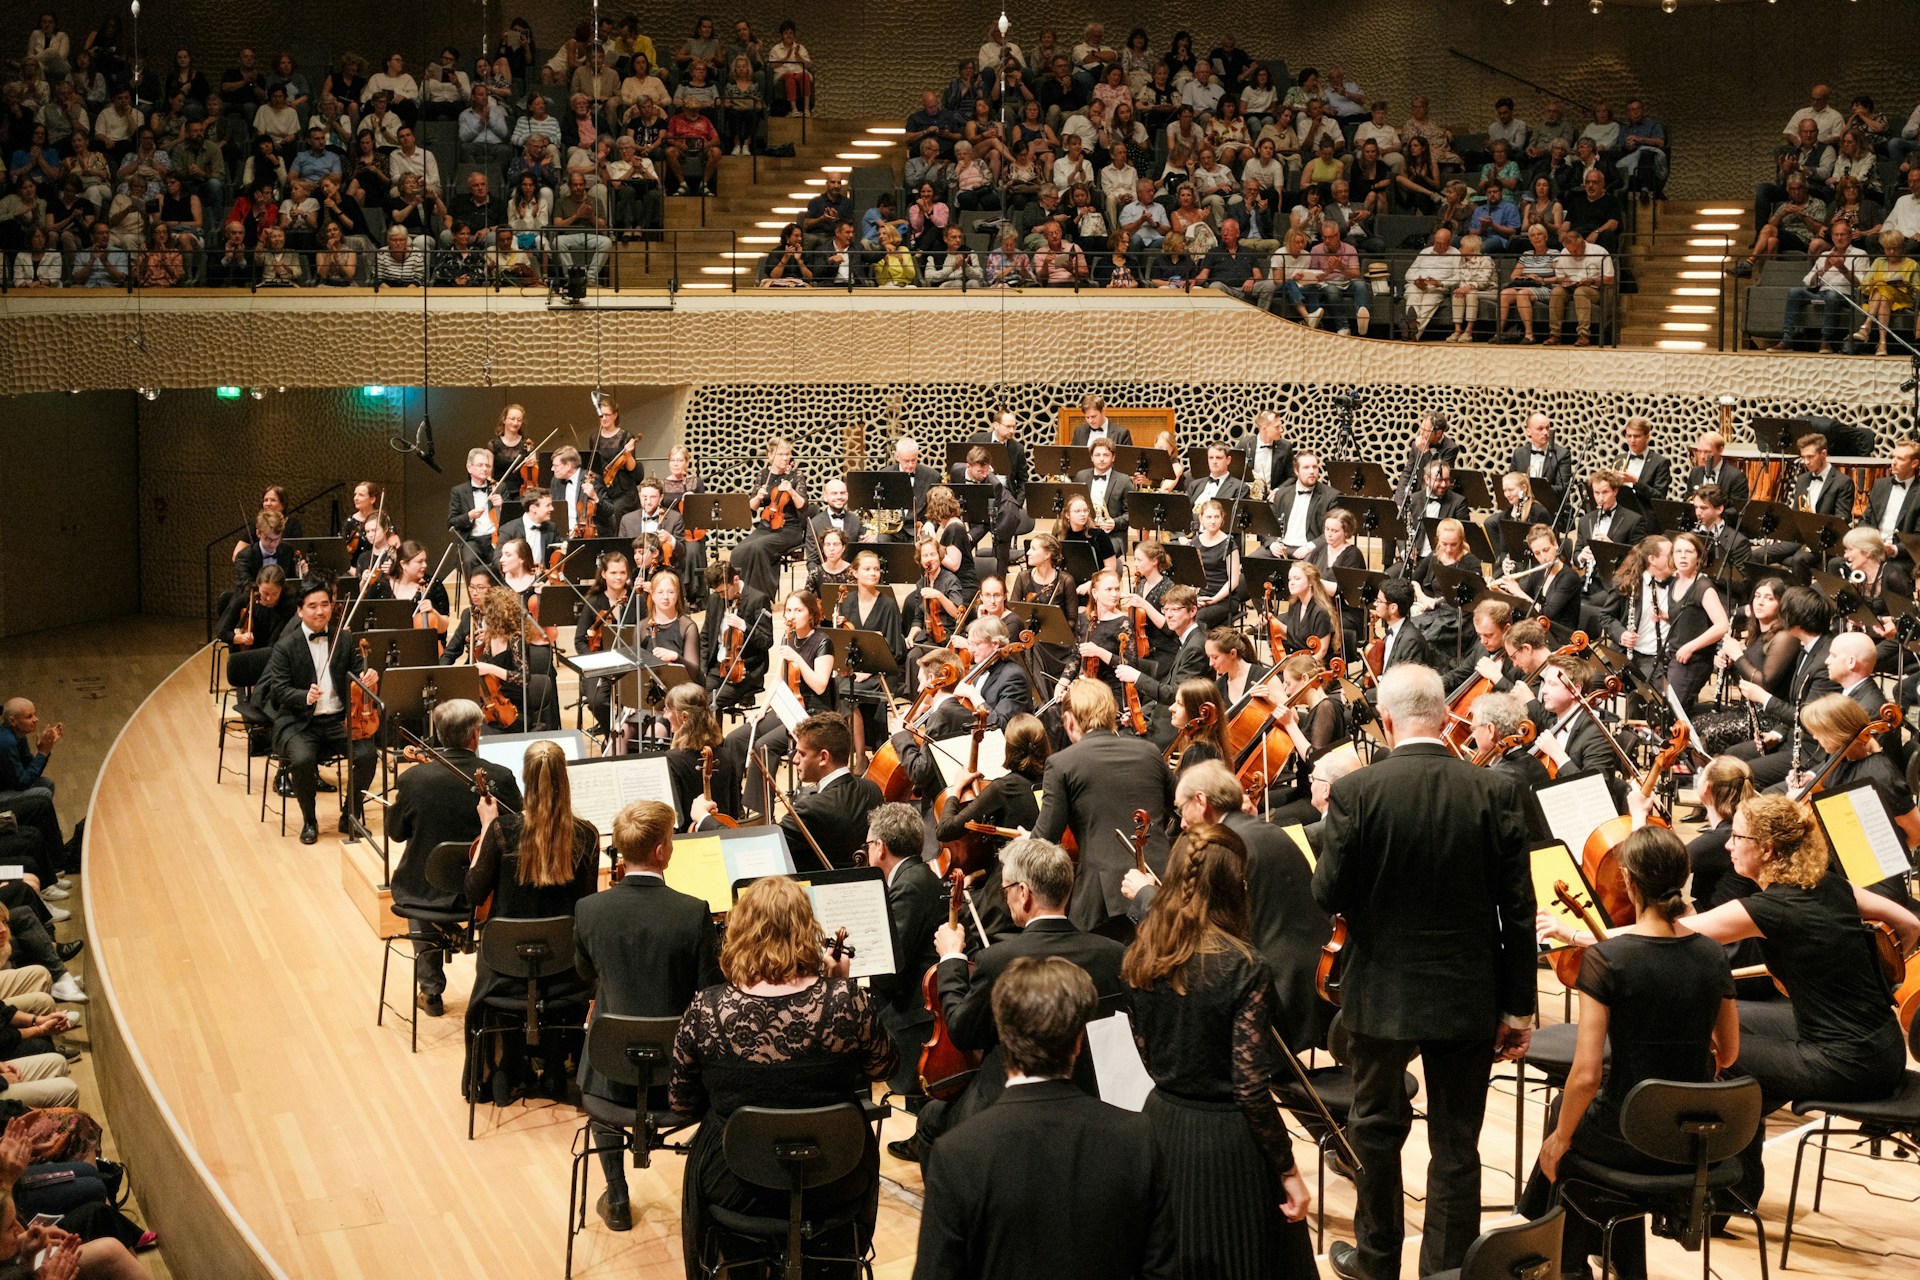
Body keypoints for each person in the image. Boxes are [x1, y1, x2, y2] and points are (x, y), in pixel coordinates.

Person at [1313, 663, 1536, 1280]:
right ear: (1445, 718)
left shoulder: (1357, 792)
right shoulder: (1494, 791)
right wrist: (1518, 1007)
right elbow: (1519, 909)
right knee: (1456, 1145)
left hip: (1380, 989)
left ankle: (1378, 1260)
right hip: (1468, 992)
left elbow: (1326, 890)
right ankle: (1445, 1272)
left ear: (1386, 721)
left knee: (1375, 1132)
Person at [1520, 826, 1740, 1279]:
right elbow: (1731, 1052)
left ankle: (1566, 1263)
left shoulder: (1608, 959)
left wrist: (1560, 1139)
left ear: (1629, 882)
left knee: (1568, 1121)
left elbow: (1586, 1076)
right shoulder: (1713, 956)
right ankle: (1620, 1261)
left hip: (1629, 1137)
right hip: (1694, 1141)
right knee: (1577, 1118)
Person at [671, 876, 895, 1266]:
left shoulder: (705, 1008)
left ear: (739, 933)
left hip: (735, 1178)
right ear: (808, 930)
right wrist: (839, 987)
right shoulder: (847, 1001)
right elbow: (885, 1066)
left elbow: (680, 1103)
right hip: (834, 1174)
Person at [1125, 822, 1313, 1277]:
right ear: (1235, 886)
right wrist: (1288, 1169)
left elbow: (1148, 1055)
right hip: (1228, 1149)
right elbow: (1250, 1088)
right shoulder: (1245, 967)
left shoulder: (1142, 956)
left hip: (1162, 1126)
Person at [914, 955, 1174, 1280]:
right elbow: (1159, 1270)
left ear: (1003, 1037)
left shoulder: (956, 1153)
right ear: (1078, 1042)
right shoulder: (1138, 1137)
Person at [907, 838, 1129, 1161]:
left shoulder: (999, 960)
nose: (1006, 898)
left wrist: (952, 959)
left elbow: (962, 1031)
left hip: (1010, 1103)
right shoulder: (1113, 954)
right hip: (1095, 1096)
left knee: (930, 1119)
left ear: (1023, 893)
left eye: (1006, 889)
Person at [573, 798, 720, 1231]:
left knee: (600, 1064)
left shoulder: (590, 910)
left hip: (611, 1080)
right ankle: (701, 1199)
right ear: (660, 852)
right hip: (680, 1081)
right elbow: (709, 993)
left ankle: (617, 1198)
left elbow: (585, 972)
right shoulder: (693, 913)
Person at [462, 738, 600, 1103]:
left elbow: (473, 893)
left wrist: (489, 823)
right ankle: (557, 1064)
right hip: (565, 971)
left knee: (503, 951)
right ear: (564, 780)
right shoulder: (585, 835)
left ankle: (507, 1066)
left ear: (524, 778)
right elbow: (586, 910)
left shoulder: (501, 832)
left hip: (505, 970)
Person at [386, 699, 522, 1017]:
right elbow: (517, 829)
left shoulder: (414, 780)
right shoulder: (498, 778)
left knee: (421, 879)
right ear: (475, 734)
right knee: (500, 889)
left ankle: (430, 990)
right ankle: (489, 989)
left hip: (424, 893)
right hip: (483, 893)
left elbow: (395, 832)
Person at [1033, 680, 1175, 936]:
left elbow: (1046, 839)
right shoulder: (1149, 752)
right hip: (1162, 881)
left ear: (1069, 720)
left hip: (1104, 900)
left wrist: (1027, 842)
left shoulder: (1061, 763)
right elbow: (1181, 809)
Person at [257, 579, 380, 845]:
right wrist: (304, 696)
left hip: (340, 720)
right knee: (301, 761)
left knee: (368, 754)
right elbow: (277, 690)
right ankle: (309, 820)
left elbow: (358, 672)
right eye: (312, 606)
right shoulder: (286, 646)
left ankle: (350, 814)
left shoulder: (344, 638)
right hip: (301, 723)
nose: (320, 611)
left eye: (325, 604)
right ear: (300, 610)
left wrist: (367, 676)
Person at [863, 802, 944, 1101]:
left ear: (880, 847)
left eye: (869, 844)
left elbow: (888, 967)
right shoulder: (917, 876)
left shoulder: (909, 886)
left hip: (916, 1020)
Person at [729, 437, 808, 598]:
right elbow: (752, 506)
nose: (785, 458)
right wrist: (758, 496)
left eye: (787, 454)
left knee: (758, 548)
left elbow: (803, 505)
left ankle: (760, 597)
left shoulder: (796, 475)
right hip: (766, 526)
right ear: (770, 456)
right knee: (739, 551)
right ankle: (739, 593)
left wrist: (792, 492)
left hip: (789, 529)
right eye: (780, 454)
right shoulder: (764, 475)